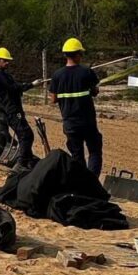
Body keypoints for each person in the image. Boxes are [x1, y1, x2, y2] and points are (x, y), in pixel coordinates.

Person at [48, 37, 102, 175]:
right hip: (87, 122)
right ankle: (92, 182)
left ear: (65, 55)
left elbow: (53, 99)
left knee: (77, 156)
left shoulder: (57, 75)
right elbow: (95, 91)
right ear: (78, 54)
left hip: (70, 124)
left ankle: (81, 185)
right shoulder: (86, 72)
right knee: (94, 151)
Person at [0, 47, 42, 171]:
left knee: (25, 135)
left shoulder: (4, 75)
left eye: (8, 60)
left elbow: (15, 87)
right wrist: (32, 84)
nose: (7, 62)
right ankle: (21, 164)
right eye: (5, 60)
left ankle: (29, 161)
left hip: (14, 109)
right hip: (11, 110)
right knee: (26, 135)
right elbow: (13, 88)